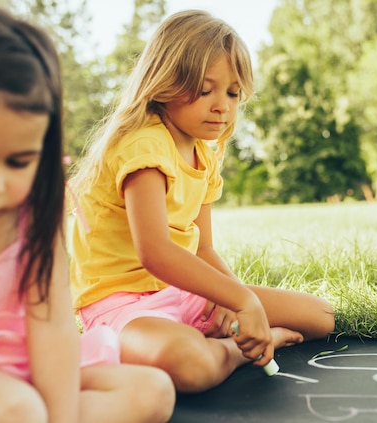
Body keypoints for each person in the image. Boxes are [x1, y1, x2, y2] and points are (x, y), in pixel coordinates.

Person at [68, 9, 335, 393]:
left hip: (180, 292)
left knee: (320, 315)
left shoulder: (203, 155)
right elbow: (156, 252)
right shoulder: (143, 148)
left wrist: (231, 298)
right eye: (205, 89)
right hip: (122, 307)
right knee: (191, 364)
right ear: (163, 85)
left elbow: (203, 247)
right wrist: (242, 301)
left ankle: (219, 339)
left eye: (232, 93)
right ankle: (236, 352)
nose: (222, 106)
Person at [0, 6, 175, 422]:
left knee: (152, 391)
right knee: (20, 409)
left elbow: (51, 325)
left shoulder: (32, 215)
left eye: (18, 162)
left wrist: (61, 414)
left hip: (18, 362)